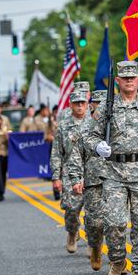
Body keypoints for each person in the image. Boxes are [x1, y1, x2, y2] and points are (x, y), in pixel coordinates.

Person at [85, 60, 138, 275]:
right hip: (114, 173)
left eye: (133, 77)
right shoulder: (107, 107)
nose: (129, 81)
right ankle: (118, 260)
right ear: (117, 81)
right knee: (115, 223)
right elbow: (89, 136)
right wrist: (98, 145)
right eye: (124, 77)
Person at [69, 90, 107, 271]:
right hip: (92, 182)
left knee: (118, 222)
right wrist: (76, 178)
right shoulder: (84, 128)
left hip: (116, 179)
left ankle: (118, 258)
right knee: (95, 222)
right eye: (97, 103)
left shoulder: (114, 126)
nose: (99, 107)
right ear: (92, 105)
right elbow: (76, 156)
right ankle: (96, 247)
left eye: (103, 103)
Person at [51, 91, 89, 254]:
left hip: (90, 170)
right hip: (68, 172)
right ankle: (72, 233)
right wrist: (56, 177)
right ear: (70, 105)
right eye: (76, 103)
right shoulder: (64, 126)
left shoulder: (94, 123)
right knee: (72, 209)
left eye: (82, 103)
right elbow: (56, 152)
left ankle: (93, 243)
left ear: (87, 104)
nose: (80, 106)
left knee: (94, 211)